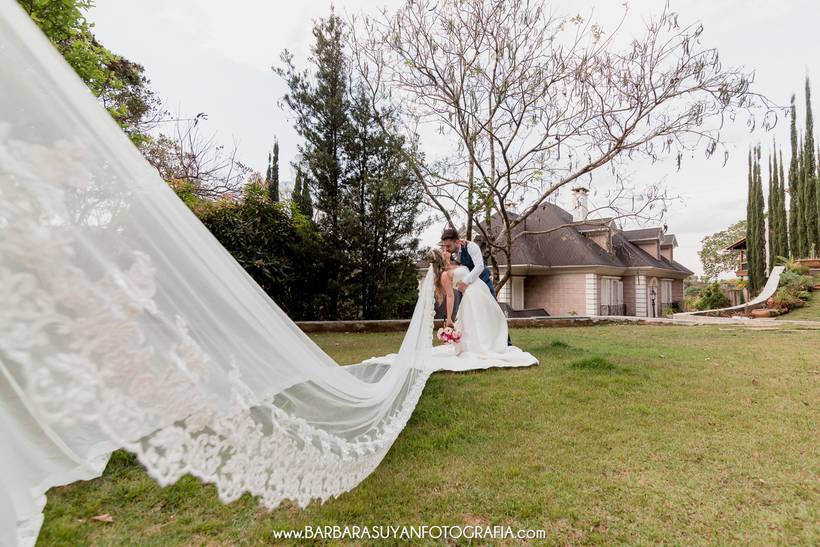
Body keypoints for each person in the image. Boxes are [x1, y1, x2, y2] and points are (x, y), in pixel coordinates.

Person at [425, 248, 536, 370]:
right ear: (440, 257)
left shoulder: (455, 263)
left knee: (494, 317)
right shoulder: (445, 275)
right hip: (472, 296)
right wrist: (449, 319)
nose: (445, 249)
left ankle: (493, 345)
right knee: (478, 322)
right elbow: (450, 297)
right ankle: (482, 348)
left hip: (482, 290)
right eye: (442, 250)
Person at [438, 227, 512, 346]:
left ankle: (505, 343)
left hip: (482, 283)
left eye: (448, 246)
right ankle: (470, 344)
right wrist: (447, 260)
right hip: (466, 290)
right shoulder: (451, 255)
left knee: (493, 312)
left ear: (457, 242)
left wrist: (465, 282)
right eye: (444, 246)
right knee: (465, 315)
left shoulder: (471, 247)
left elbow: (479, 266)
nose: (446, 248)